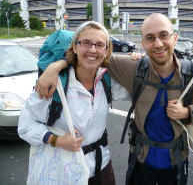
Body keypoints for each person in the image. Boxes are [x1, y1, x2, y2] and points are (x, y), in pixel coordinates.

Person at [35, 13, 193, 185]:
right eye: (150, 38)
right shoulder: (134, 68)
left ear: (175, 38)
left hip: (176, 160)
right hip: (141, 159)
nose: (157, 43)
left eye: (164, 35)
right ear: (143, 43)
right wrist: (56, 66)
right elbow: (91, 55)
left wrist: (187, 112)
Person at [18, 21, 132, 185]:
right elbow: (25, 125)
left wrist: (137, 63)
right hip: (63, 172)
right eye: (86, 42)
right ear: (75, 47)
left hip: (101, 167)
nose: (92, 49)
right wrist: (56, 140)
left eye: (100, 45)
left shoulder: (107, 81)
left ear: (106, 51)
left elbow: (139, 92)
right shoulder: (54, 84)